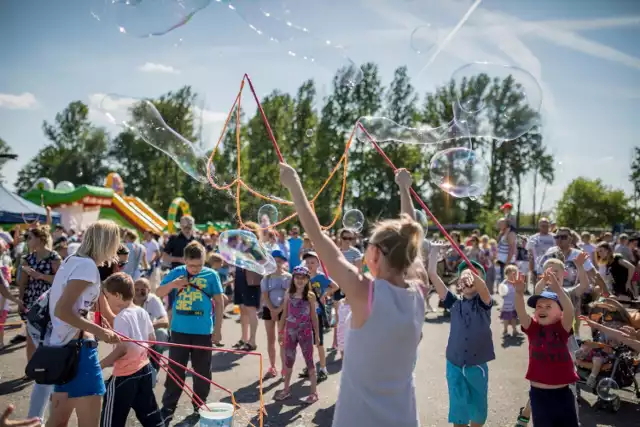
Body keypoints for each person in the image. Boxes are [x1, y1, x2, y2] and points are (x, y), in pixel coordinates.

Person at [280, 163, 425, 427]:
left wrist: (294, 184)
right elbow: (412, 242)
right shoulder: (419, 290)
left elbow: (317, 237)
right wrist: (405, 188)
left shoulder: (365, 293)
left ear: (375, 255)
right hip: (404, 417)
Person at [46, 220, 121, 427]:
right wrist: (99, 330)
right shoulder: (86, 266)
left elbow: (72, 304)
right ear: (106, 242)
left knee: (58, 421)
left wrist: (93, 315)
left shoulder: (73, 260)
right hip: (78, 351)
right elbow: (63, 310)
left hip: (64, 347)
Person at [156, 241, 224, 423]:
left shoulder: (211, 275)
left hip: (203, 332)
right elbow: (158, 291)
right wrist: (173, 284)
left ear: (204, 261)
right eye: (191, 265)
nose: (195, 269)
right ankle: (168, 407)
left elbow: (219, 302)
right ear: (184, 260)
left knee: (202, 372)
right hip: (179, 331)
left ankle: (199, 405)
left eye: (199, 265)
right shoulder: (176, 272)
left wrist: (218, 330)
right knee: (175, 371)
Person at [428, 246, 493, 427]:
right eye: (464, 276)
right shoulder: (454, 304)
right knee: (459, 410)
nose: (468, 277)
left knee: (479, 410)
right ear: (459, 284)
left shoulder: (484, 304)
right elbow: (433, 275)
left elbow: (484, 289)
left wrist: (473, 277)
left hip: (476, 365)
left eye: (474, 274)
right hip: (454, 365)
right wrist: (434, 252)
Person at [513, 268, 580, 427]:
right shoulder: (533, 328)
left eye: (548, 306)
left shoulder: (562, 328)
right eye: (538, 307)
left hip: (563, 393)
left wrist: (557, 289)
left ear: (560, 313)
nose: (541, 309)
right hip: (538, 395)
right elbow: (521, 313)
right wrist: (518, 294)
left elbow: (569, 309)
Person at [99, 273, 163, 427]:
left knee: (112, 419)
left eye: (108, 297)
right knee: (150, 414)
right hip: (144, 369)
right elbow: (152, 339)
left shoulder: (122, 316)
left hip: (124, 375)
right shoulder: (140, 311)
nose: (106, 301)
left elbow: (122, 349)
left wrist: (99, 365)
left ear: (118, 296)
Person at [274, 265, 320, 403]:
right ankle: (286, 390)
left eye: (303, 278)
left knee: (309, 361)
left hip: (305, 332)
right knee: (288, 361)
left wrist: (316, 334)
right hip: (290, 333)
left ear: (307, 280)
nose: (300, 281)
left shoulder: (310, 296)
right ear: (293, 278)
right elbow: (284, 315)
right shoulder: (289, 294)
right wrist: (281, 332)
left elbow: (314, 316)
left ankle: (314, 392)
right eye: (297, 277)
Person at [18, 226, 61, 360]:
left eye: (30, 238)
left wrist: (41, 276)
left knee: (50, 334)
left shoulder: (54, 257)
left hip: (49, 299)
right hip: (31, 299)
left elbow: (60, 280)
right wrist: (20, 300)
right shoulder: (27, 259)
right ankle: (32, 366)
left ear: (40, 239)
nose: (27, 241)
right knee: (31, 335)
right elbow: (23, 283)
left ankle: (49, 366)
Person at [300, 251, 338, 382]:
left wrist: (324, 294)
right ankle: (309, 367)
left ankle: (322, 368)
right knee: (307, 343)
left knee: (319, 342)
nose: (309, 265)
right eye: (307, 262)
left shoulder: (321, 277)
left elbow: (335, 286)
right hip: (304, 314)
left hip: (318, 314)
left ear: (318, 264)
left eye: (312, 262)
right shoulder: (302, 276)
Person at [232, 221, 263, 352]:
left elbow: (261, 262)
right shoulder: (240, 246)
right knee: (242, 309)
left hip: (250, 280)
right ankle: (244, 338)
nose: (244, 233)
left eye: (247, 230)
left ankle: (252, 340)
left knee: (251, 310)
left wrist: (249, 259)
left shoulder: (255, 246)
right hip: (240, 277)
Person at [260, 250, 291, 378]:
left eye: (279, 261)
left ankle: (284, 367)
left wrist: (279, 310)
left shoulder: (288, 277)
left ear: (284, 262)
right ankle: (272, 366)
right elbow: (265, 295)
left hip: (283, 310)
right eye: (274, 261)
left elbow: (288, 296)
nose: (277, 263)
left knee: (282, 339)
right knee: (270, 339)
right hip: (269, 309)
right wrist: (272, 309)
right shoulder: (266, 277)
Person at [500, 265, 519, 337]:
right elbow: (501, 291)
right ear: (507, 274)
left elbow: (519, 291)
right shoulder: (505, 282)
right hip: (507, 304)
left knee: (514, 318)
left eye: (515, 273)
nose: (513, 275)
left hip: (514, 304)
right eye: (512, 273)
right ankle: (505, 329)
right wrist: (502, 294)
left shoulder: (516, 282)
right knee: (506, 318)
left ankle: (514, 329)